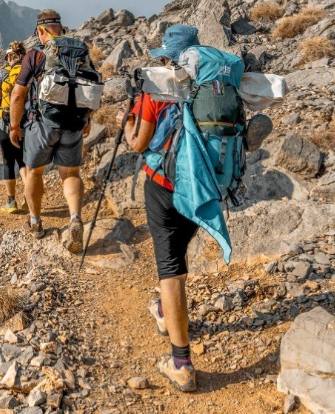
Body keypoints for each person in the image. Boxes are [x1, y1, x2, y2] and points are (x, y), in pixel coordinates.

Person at [120, 24, 202, 393]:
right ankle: (167, 312)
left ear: (167, 57)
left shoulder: (154, 89)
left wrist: (128, 125)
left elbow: (138, 145)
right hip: (202, 187)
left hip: (163, 185)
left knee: (170, 271)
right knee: (177, 258)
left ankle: (181, 363)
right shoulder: (211, 85)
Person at [9, 10, 96, 249]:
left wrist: (14, 125)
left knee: (34, 172)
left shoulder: (35, 55)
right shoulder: (81, 51)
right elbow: (92, 86)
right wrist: (87, 119)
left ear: (40, 31)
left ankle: (36, 222)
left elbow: (18, 94)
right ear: (60, 27)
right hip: (75, 122)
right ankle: (75, 218)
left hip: (42, 123)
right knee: (71, 174)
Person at [0, 41, 27, 214]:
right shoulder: (28, 73)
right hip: (26, 123)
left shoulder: (2, 73)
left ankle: (11, 202)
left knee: (8, 162)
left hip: (5, 123)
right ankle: (29, 196)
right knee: (24, 161)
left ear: (9, 56)